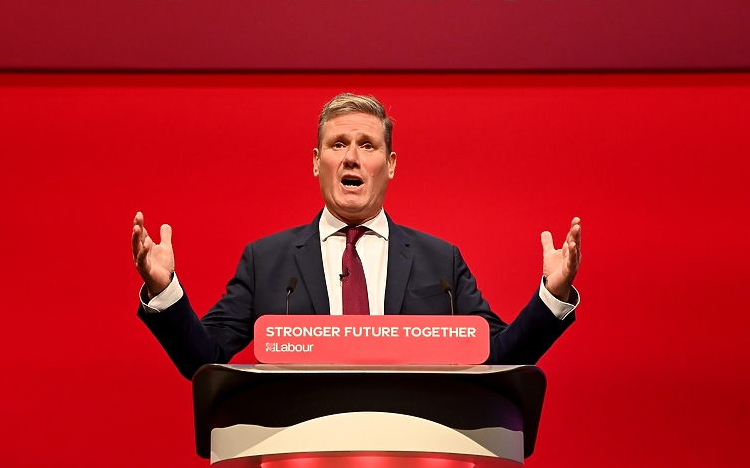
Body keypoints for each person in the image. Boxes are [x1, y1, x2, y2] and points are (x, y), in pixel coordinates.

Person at [133, 93, 581, 379]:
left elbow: (498, 356)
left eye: (367, 145)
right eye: (338, 144)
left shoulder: (439, 261)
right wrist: (164, 290)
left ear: (390, 165)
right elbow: (203, 360)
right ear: (315, 161)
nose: (351, 157)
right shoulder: (266, 260)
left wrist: (552, 298)